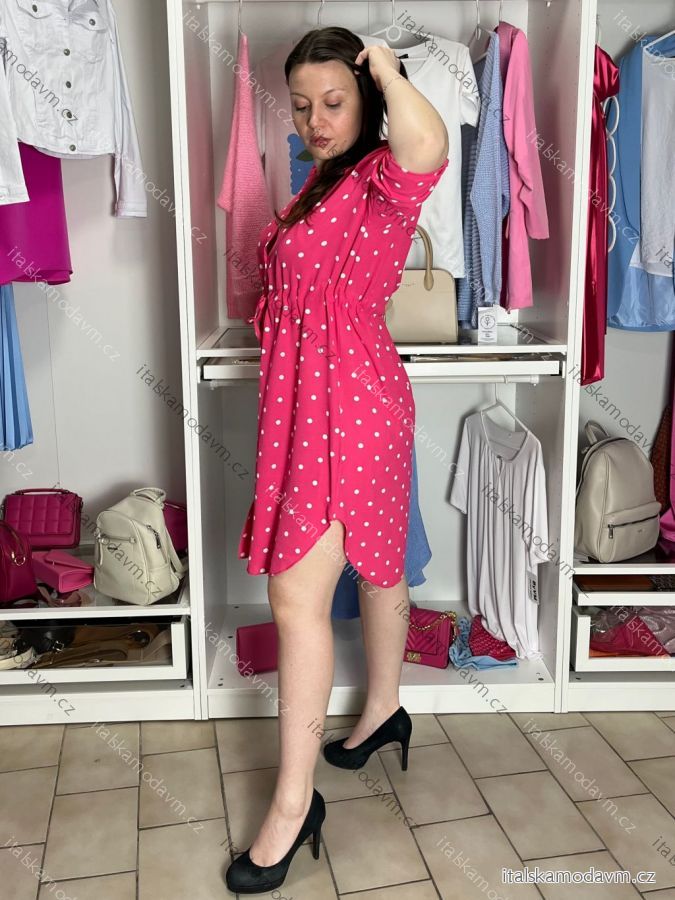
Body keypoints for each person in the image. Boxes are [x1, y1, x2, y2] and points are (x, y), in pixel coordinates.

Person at [226, 25, 448, 895]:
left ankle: (293, 805)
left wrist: (386, 69)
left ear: (365, 100)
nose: (316, 120)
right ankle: (382, 709)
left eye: (333, 102)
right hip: (314, 401)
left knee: (296, 598)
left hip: (348, 405)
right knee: (377, 564)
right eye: (301, 106)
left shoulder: (381, 178)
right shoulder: (320, 184)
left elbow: (428, 144)